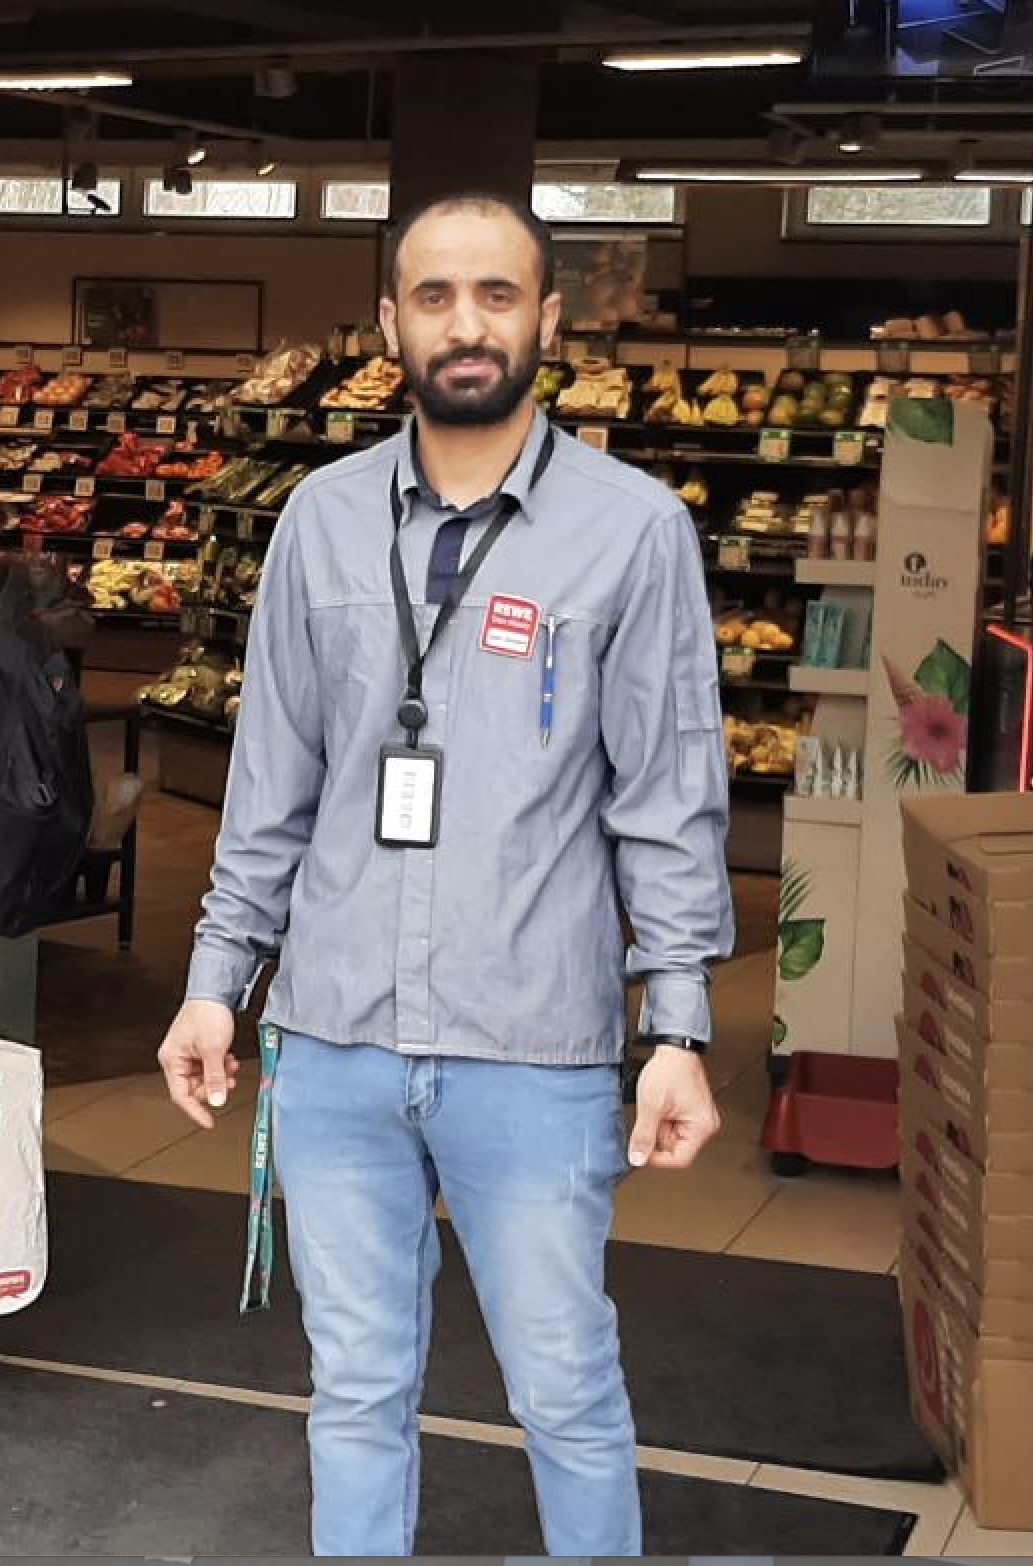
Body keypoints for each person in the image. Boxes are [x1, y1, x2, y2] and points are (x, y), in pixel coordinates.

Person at [156, 191, 733, 1557]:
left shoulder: (634, 529)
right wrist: (214, 983)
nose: (465, 324)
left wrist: (678, 1028)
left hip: (531, 1046)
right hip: (336, 1041)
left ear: (549, 320)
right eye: (434, 296)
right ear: (389, 324)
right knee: (354, 1391)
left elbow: (666, 800)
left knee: (565, 1389)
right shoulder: (318, 520)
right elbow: (272, 785)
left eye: (495, 294)